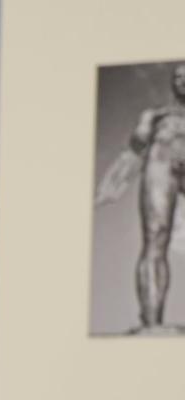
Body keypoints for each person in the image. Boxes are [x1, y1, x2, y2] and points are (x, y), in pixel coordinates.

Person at [94, 63, 185, 333]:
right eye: (177, 77)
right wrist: (112, 183)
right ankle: (152, 321)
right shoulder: (157, 116)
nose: (182, 81)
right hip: (161, 165)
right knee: (155, 237)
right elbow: (134, 150)